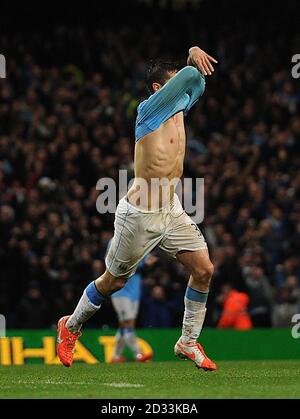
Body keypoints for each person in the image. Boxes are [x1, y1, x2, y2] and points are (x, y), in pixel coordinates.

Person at [57, 46, 218, 371]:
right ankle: (70, 326)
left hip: (170, 209)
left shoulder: (179, 109)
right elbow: (190, 76)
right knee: (113, 281)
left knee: (204, 270)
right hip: (139, 215)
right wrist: (190, 54)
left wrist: (193, 69)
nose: (180, 92)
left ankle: (187, 342)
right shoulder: (148, 111)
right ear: (159, 89)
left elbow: (196, 83)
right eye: (173, 86)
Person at [110, 253, 157, 363]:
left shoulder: (138, 242)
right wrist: (143, 263)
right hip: (120, 292)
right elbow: (117, 263)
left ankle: (116, 356)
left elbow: (147, 260)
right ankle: (138, 354)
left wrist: (149, 262)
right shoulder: (115, 242)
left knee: (124, 325)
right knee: (128, 322)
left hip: (134, 293)